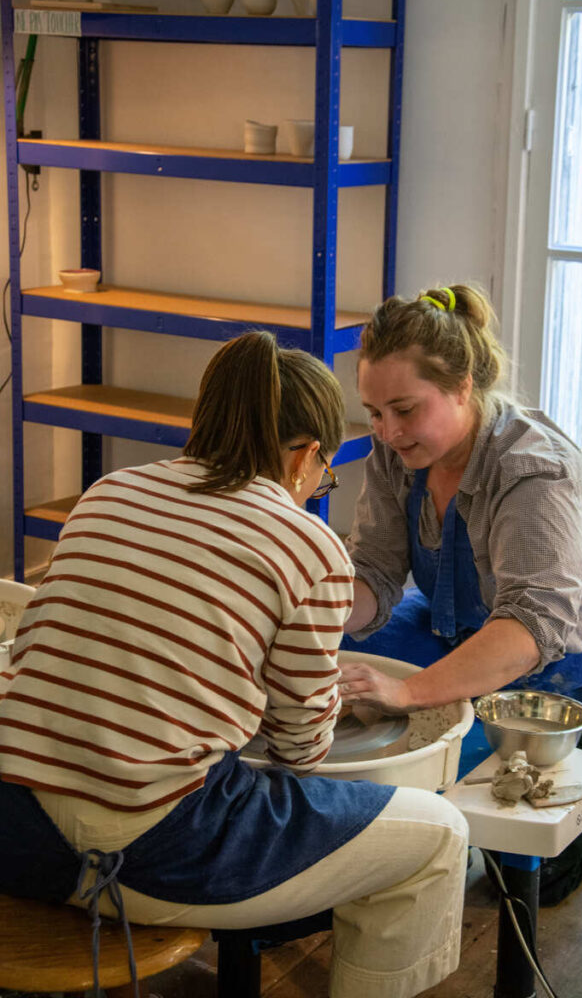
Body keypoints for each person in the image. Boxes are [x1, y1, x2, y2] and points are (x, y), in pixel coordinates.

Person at [0, 331, 469, 998]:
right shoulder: (306, 543)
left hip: (14, 826)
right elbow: (302, 750)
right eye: (323, 476)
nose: (315, 489)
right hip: (137, 852)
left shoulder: (108, 494)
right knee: (439, 837)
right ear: (306, 455)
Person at [338, 283, 582, 905]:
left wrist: (407, 693)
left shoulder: (531, 469)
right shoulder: (397, 453)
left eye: (405, 410)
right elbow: (376, 575)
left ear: (463, 385)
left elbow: (529, 631)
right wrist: (308, 611)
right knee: (333, 653)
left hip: (580, 646)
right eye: (374, 412)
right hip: (464, 624)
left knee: (528, 868)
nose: (386, 431)